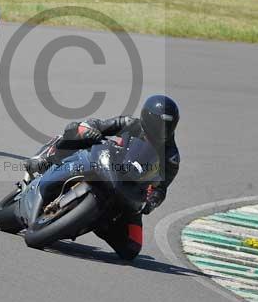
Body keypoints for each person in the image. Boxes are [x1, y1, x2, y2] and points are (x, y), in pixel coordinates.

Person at [23, 95, 181, 260]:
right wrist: (89, 129)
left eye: (167, 126)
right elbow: (98, 125)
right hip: (107, 164)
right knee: (76, 132)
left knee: (131, 249)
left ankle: (99, 222)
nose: (162, 130)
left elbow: (161, 189)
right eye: (159, 124)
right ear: (147, 118)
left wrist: (151, 202)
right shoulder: (130, 124)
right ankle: (48, 156)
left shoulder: (171, 158)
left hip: (132, 190)